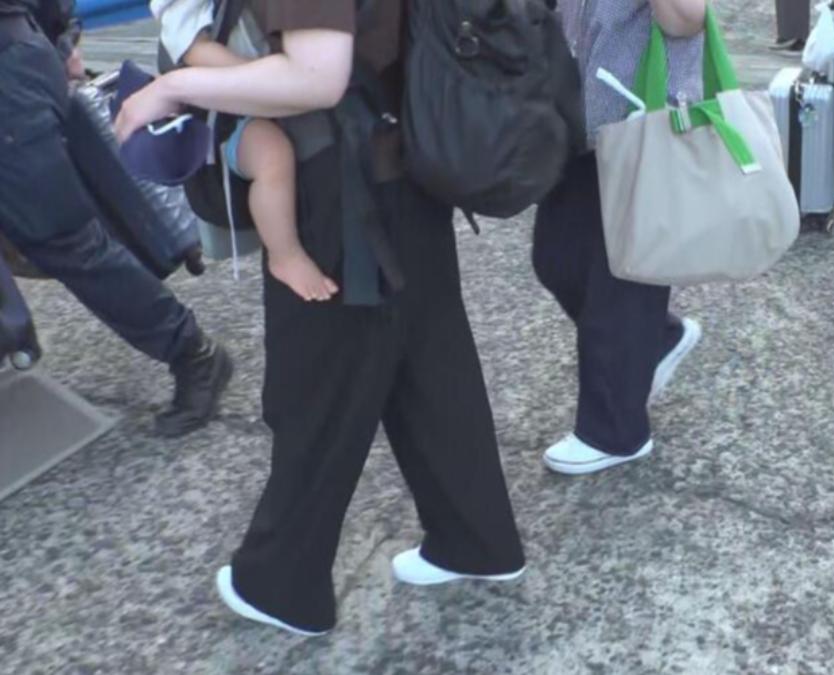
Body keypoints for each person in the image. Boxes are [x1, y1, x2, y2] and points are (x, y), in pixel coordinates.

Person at [115, 0, 526, 636]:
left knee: (316, 388)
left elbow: (315, 77)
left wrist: (175, 86)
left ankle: (281, 585)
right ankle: (477, 539)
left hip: (340, 183)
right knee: (431, 364)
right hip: (402, 154)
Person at [0, 0, 232, 438]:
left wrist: (62, 36)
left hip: (9, 80)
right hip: (17, 63)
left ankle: (193, 352)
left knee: (63, 239)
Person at [534, 0, 705, 477]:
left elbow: (689, 18)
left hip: (638, 120)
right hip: (578, 118)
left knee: (623, 277)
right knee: (555, 257)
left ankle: (615, 431)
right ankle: (656, 338)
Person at [150, 0, 337, 301]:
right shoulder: (179, 8)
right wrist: (272, 78)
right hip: (227, 110)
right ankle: (285, 255)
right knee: (272, 156)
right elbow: (193, 50)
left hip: (278, 86)